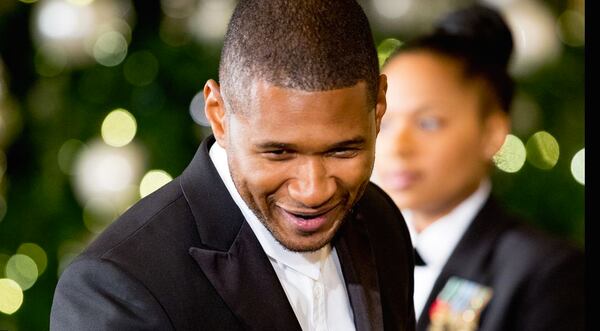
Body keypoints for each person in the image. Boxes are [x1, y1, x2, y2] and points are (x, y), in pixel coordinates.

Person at [50, 0, 416, 330]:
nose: (314, 190)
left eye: (342, 151)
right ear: (219, 115)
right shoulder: (119, 287)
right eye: (279, 153)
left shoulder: (380, 219)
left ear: (379, 107)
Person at [372, 4, 584, 331]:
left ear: (492, 134)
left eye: (427, 123)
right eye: (385, 123)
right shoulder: (354, 250)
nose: (398, 147)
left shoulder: (547, 273)